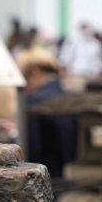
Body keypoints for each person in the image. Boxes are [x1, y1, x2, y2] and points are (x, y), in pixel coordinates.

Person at [17, 48, 77, 180]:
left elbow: (32, 147)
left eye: (25, 77)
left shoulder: (35, 102)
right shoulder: (66, 96)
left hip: (42, 175)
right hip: (63, 172)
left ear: (35, 72)